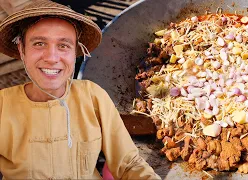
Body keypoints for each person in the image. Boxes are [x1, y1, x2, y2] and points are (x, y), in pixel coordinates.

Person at [0, 0, 160, 179]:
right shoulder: (3, 105)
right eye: (39, 43)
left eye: (63, 46)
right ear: (22, 49)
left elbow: (129, 164)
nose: (52, 58)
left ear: (75, 51)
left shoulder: (92, 96)